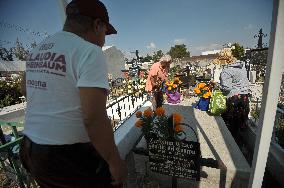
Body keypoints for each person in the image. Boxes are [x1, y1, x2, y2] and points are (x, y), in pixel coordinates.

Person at [19, 1, 127, 187]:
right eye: (105, 33)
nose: (104, 40)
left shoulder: (39, 49)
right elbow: (93, 118)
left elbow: (25, 89)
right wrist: (115, 162)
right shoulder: (89, 51)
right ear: (97, 25)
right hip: (66, 158)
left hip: (31, 149)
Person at [220, 60, 250, 143]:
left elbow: (226, 88)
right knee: (241, 121)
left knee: (231, 123)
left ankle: (230, 145)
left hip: (234, 98)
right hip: (244, 97)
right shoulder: (242, 67)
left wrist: (219, 86)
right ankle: (240, 144)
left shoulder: (226, 71)